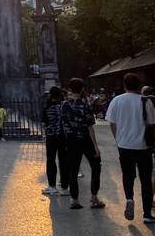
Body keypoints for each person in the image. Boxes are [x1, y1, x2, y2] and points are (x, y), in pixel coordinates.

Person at [105, 74, 155, 223]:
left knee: (128, 175)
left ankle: (129, 199)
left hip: (124, 146)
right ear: (139, 85)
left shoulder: (116, 101)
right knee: (146, 179)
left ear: (124, 85)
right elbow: (152, 124)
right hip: (143, 147)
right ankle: (146, 214)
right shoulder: (146, 101)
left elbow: (112, 123)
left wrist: (118, 138)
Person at [61, 77, 105, 211]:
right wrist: (96, 146)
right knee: (95, 166)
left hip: (71, 141)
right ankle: (94, 197)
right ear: (82, 89)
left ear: (69, 89)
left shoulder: (64, 105)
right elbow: (90, 127)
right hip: (85, 140)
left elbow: (63, 125)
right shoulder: (85, 105)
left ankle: (74, 199)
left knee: (73, 171)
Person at [42, 86, 69, 196]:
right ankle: (65, 187)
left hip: (51, 137)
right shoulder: (65, 106)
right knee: (64, 161)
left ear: (50, 95)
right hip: (63, 137)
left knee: (51, 160)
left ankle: (52, 186)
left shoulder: (47, 108)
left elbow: (44, 124)